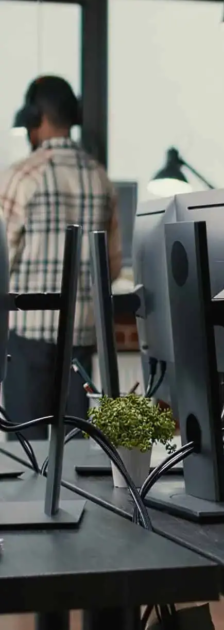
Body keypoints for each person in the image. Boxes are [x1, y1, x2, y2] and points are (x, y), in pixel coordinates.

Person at [0, 75, 120, 438]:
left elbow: (1, 262)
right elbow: (111, 266)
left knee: (26, 460)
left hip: (28, 339)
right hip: (80, 340)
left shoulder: (21, 176)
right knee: (79, 458)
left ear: (36, 119)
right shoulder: (101, 178)